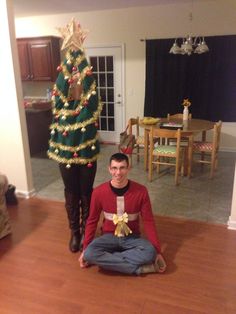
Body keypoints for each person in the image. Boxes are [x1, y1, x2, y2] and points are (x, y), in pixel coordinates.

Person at [48, 19, 103, 253]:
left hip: (87, 147)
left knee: (86, 191)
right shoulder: (61, 89)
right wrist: (70, 60)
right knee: (71, 191)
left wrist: (80, 58)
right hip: (64, 149)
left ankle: (87, 231)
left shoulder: (87, 96)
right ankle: (75, 232)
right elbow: (58, 94)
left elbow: (91, 94)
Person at [79, 153, 166, 275]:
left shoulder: (141, 191)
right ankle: (138, 269)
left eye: (122, 168)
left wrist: (158, 252)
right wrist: (85, 249)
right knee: (89, 253)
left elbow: (148, 221)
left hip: (132, 237)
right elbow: (92, 220)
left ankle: (109, 260)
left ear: (128, 168)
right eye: (114, 168)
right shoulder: (99, 192)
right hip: (109, 237)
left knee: (150, 252)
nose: (118, 173)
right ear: (109, 169)